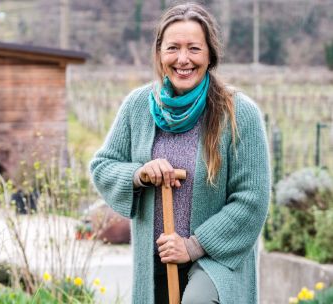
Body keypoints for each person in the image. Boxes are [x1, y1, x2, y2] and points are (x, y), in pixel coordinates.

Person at [90, 3, 270, 304]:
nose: (183, 59)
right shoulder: (138, 106)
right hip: (156, 259)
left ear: (210, 54)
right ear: (160, 54)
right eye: (173, 48)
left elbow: (252, 199)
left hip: (217, 258)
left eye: (194, 49)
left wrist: (193, 245)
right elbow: (103, 166)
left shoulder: (239, 113)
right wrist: (139, 174)